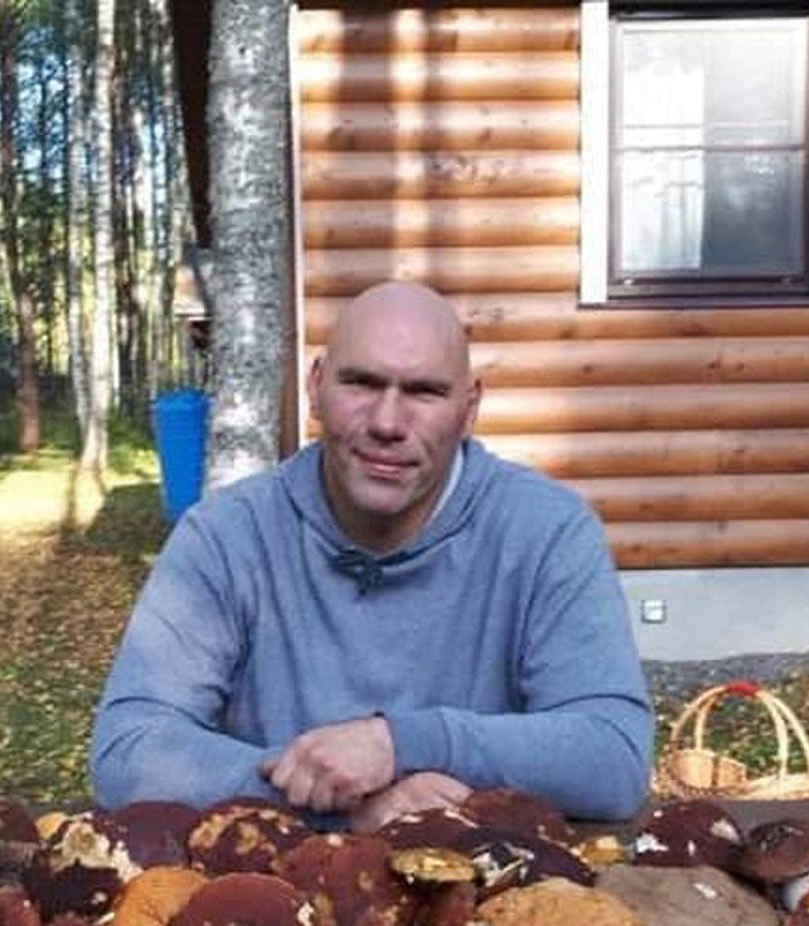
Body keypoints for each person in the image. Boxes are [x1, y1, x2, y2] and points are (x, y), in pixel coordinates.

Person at [91, 280, 653, 830]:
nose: (387, 423)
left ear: (470, 407)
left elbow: (613, 757)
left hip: (493, 898)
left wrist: (400, 743)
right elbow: (128, 752)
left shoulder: (547, 532)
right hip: (268, 900)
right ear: (316, 386)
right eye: (361, 382)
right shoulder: (225, 536)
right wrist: (333, 803)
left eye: (424, 391)